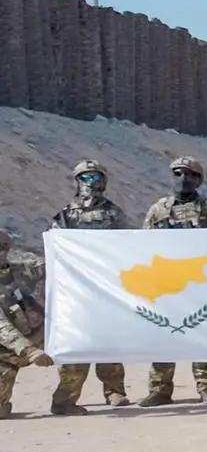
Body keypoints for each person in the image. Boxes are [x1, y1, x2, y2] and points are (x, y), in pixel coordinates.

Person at [139, 157, 207, 407]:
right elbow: (143, 245)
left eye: (189, 174)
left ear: (198, 180)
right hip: (166, 283)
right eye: (178, 173)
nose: (183, 178)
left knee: (201, 332)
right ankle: (159, 389)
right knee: (164, 333)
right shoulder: (158, 209)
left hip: (198, 282)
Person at [50, 159, 132, 408]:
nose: (90, 182)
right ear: (77, 181)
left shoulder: (113, 213)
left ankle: (114, 391)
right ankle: (66, 397)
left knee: (109, 340)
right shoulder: (65, 215)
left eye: (95, 177)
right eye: (85, 177)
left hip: (107, 285)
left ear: (103, 181)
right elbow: (56, 249)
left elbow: (126, 247)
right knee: (77, 341)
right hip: (76, 289)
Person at [0, 230, 52, 418]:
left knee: (79, 351)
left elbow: (56, 266)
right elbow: (2, 327)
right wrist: (29, 351)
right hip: (8, 351)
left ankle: (65, 401)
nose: (1, 252)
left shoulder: (23, 271)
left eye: (3, 247)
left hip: (43, 337)